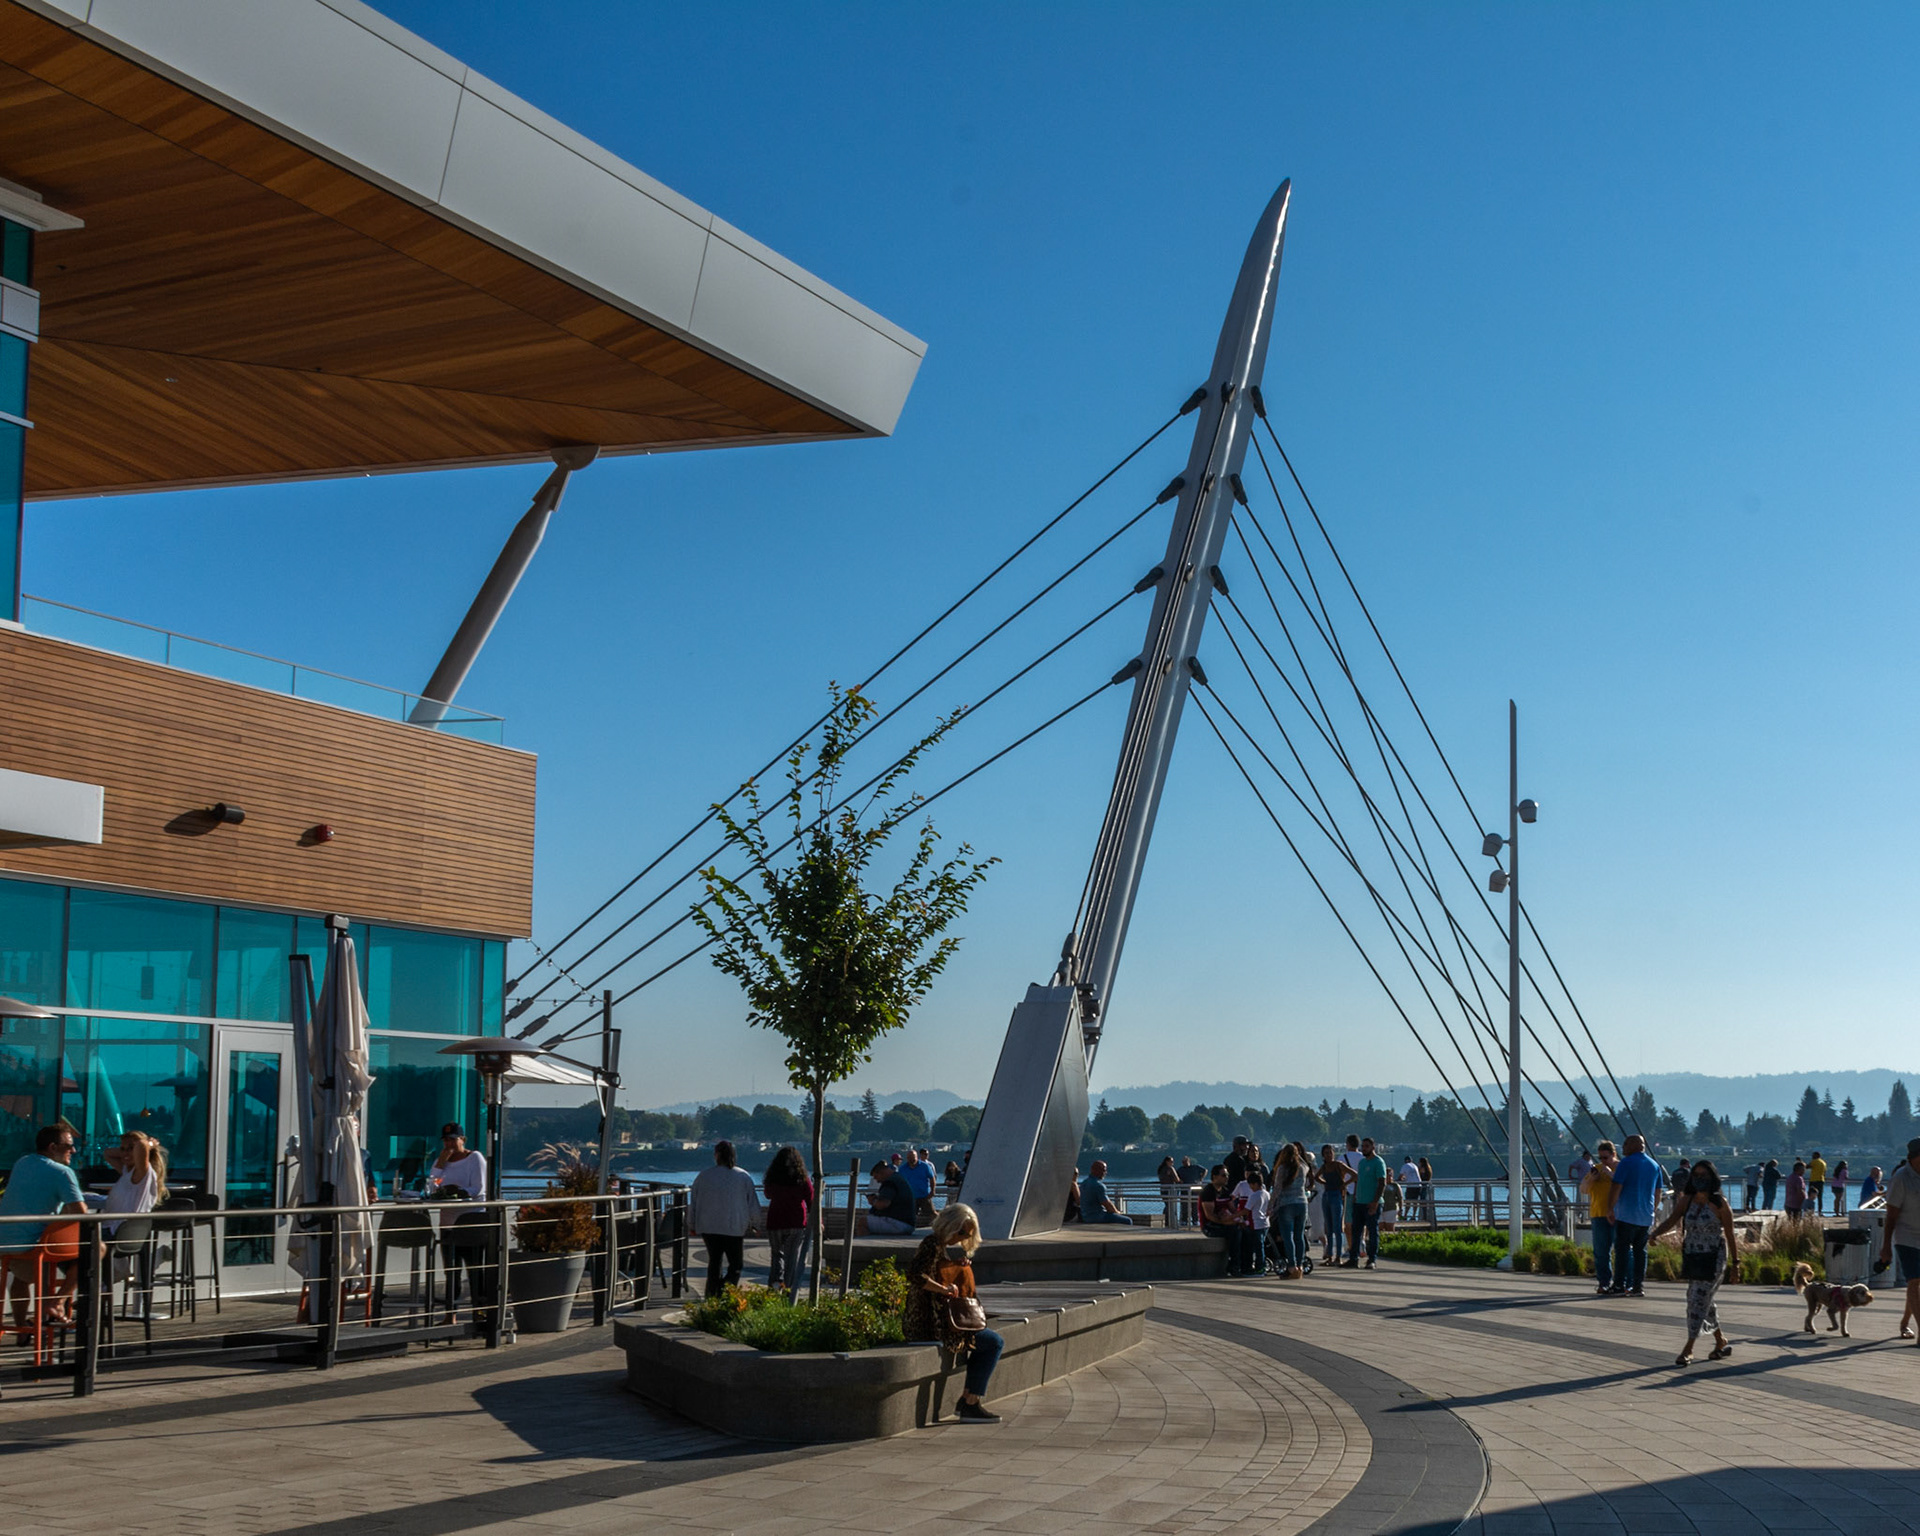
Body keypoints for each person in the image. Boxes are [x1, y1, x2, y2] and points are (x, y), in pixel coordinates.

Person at [904, 1203, 1002, 1421]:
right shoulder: (931, 1243)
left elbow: (936, 1270)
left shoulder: (938, 1246)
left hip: (939, 1320)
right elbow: (915, 1275)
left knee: (986, 1341)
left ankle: (969, 1399)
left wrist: (957, 1266)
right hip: (932, 1323)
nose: (962, 1238)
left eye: (966, 1234)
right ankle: (970, 1402)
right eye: (961, 1232)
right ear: (950, 1226)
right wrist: (945, 1289)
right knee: (992, 1342)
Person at [1651, 1160, 1739, 1366]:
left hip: (1714, 1257)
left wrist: (1736, 1264)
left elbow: (1730, 1234)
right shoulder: (1687, 1201)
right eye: (1696, 1176)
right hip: (1693, 1257)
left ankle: (1689, 1348)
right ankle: (1720, 1341)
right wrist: (1655, 1233)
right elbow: (1672, 1219)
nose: (1700, 1180)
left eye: (1704, 1176)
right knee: (1701, 1298)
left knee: (1696, 1299)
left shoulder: (1720, 1204)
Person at [0, 1125, 88, 1330]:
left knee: (21, 1279)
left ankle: (23, 1330)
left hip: (5, 1245)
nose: (73, 1151)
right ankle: (56, 1303)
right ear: (52, 1147)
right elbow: (82, 1214)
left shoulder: (22, 1162)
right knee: (97, 1250)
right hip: (36, 1251)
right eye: (69, 1146)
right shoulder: (62, 1172)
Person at [689, 1140, 761, 1297]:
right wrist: (756, 1223)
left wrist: (692, 1223)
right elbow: (752, 1203)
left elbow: (693, 1201)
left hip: (708, 1226)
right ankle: (724, 1290)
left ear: (716, 1156)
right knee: (736, 1265)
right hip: (733, 1226)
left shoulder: (704, 1176)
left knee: (714, 1262)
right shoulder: (743, 1176)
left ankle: (711, 1293)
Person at [1873, 1138, 1920, 1348]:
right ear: (1914, 1158)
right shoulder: (1901, 1179)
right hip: (1906, 1236)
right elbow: (1891, 1217)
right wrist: (1885, 1248)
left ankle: (1904, 1322)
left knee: (1916, 1283)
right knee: (1914, 1281)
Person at [1608, 1134, 1664, 1296]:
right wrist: (1651, 1210)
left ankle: (1619, 1284)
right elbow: (1658, 1192)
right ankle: (1638, 1285)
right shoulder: (1654, 1165)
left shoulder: (1626, 1163)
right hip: (1645, 1217)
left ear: (1634, 1145)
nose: (1623, 1147)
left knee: (1622, 1251)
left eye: (1625, 1144)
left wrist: (1610, 1208)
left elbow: (1616, 1187)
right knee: (1641, 1252)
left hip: (1626, 1214)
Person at [762, 1145, 814, 1297]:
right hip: (796, 1221)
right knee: (792, 1257)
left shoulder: (773, 1177)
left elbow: (767, 1194)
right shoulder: (802, 1178)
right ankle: (789, 1289)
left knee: (777, 1255)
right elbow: (811, 1199)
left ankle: (775, 1286)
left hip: (776, 1220)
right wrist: (819, 1221)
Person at [100, 1129, 165, 1236]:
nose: (125, 1153)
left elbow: (141, 1145)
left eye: (131, 1148)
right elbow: (107, 1153)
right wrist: (127, 1152)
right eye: (122, 1149)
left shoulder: (142, 1173)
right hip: (110, 1228)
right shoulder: (127, 1171)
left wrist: (150, 1144)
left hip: (117, 1231)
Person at [1345, 1137, 1389, 1270]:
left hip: (1372, 1203)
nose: (1364, 1149)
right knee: (1356, 1231)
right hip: (1359, 1202)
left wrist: (1375, 1201)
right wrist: (1355, 1197)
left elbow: (1382, 1182)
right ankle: (1353, 1258)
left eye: (1367, 1146)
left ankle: (1372, 1259)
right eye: (1363, 1146)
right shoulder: (1362, 1162)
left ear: (1373, 1147)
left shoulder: (1378, 1162)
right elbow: (1359, 1180)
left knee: (1372, 1231)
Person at [1581, 1139, 1618, 1296]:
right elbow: (1583, 1189)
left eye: (1606, 1158)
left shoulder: (1621, 1169)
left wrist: (1610, 1174)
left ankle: (1622, 1282)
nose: (1603, 1161)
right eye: (1600, 1158)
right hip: (1598, 1215)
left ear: (1613, 1155)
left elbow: (1625, 1186)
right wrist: (1592, 1179)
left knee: (1622, 1250)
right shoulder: (1595, 1170)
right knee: (1601, 1252)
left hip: (1618, 1216)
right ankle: (1603, 1282)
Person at [1270, 1144, 1310, 1277]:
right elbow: (1308, 1165)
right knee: (1299, 1236)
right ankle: (1300, 1265)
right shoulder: (1303, 1167)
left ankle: (1291, 1266)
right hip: (1302, 1203)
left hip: (1286, 1204)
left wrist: (1270, 1206)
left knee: (1288, 1237)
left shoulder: (1282, 1168)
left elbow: (1277, 1189)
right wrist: (1298, 1155)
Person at [427, 1122, 487, 1200]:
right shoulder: (439, 1160)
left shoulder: (474, 1157)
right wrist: (439, 1165)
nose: (449, 1144)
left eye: (453, 1140)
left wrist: (458, 1192)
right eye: (446, 1140)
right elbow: (431, 1188)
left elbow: (479, 1188)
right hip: (447, 1211)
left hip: (472, 1210)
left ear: (463, 1140)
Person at [1197, 1165, 1239, 1273]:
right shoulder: (1208, 1192)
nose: (1227, 1178)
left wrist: (1240, 1219)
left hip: (1223, 1222)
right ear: (1215, 1177)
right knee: (1234, 1232)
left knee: (1244, 1230)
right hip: (1209, 1226)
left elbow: (1233, 1209)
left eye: (1227, 1175)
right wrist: (1225, 1221)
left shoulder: (1225, 1191)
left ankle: (1245, 1263)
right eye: (1223, 1175)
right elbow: (1209, 1216)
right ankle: (1233, 1265)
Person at [1316, 1145, 1351, 1265]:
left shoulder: (1338, 1165)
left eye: (1330, 1153)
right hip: (1326, 1195)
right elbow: (1316, 1177)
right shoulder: (1324, 1167)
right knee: (1328, 1228)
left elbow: (1354, 1174)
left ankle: (1338, 1257)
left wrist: (1344, 1184)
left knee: (1337, 1227)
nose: (1328, 1155)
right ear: (1323, 1155)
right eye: (1326, 1153)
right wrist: (1324, 1182)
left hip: (1336, 1195)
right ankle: (1330, 1256)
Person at [866, 1157, 919, 1235]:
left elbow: (883, 1204)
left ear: (882, 1173)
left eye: (876, 1177)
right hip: (907, 1223)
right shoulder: (898, 1178)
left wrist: (873, 1201)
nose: (877, 1181)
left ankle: (862, 1244)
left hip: (899, 1223)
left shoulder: (889, 1183)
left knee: (862, 1222)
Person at [1233, 1168, 1271, 1276]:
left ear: (1254, 1184)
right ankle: (1261, 1267)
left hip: (1256, 1223)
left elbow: (1246, 1210)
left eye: (1251, 1185)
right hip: (1265, 1223)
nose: (1250, 1188)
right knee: (1261, 1246)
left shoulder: (1254, 1195)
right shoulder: (1266, 1193)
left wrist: (1234, 1215)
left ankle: (1260, 1269)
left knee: (1258, 1249)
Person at [1079, 1160, 1133, 1225]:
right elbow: (1107, 1204)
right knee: (1128, 1220)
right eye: (1103, 1170)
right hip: (1097, 1217)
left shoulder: (1084, 1183)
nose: (1105, 1172)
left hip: (1085, 1217)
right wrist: (1117, 1212)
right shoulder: (1099, 1185)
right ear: (1096, 1170)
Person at [901, 1148, 938, 1228]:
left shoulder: (925, 1166)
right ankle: (910, 1228)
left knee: (932, 1213)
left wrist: (932, 1190)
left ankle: (941, 1224)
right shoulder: (903, 1169)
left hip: (924, 1195)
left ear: (917, 1157)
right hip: (911, 1196)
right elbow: (900, 1182)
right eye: (909, 1158)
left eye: (913, 1157)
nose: (911, 1160)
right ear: (907, 1158)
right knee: (911, 1214)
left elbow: (932, 1178)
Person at [1177, 1155, 1204, 1227]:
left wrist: (1201, 1179)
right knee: (1184, 1206)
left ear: (1189, 1161)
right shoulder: (1180, 1169)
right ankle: (1184, 1220)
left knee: (1195, 1205)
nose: (1184, 1163)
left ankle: (1195, 1220)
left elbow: (1205, 1170)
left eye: (1185, 1161)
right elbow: (1176, 1176)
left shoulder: (1195, 1167)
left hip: (1195, 1189)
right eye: (1183, 1162)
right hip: (1185, 1189)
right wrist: (1180, 1181)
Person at [1157, 1156, 1181, 1228]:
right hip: (1170, 1190)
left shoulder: (1161, 1169)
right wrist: (1180, 1181)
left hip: (1163, 1189)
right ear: (1167, 1161)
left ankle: (1165, 1220)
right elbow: (1177, 1179)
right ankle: (1170, 1222)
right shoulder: (1170, 1168)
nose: (1172, 1163)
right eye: (1171, 1161)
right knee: (1171, 1206)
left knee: (1167, 1205)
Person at [1400, 1153, 1424, 1224]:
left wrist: (1400, 1179)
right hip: (1418, 1185)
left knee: (1408, 1201)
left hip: (1411, 1186)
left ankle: (1405, 1215)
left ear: (1405, 1161)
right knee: (1415, 1201)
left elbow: (1401, 1176)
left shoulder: (1405, 1165)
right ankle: (1413, 1216)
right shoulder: (1415, 1166)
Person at [1807, 1151, 1828, 1215]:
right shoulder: (1823, 1163)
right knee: (1820, 1196)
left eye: (1813, 1155)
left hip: (1813, 1180)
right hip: (1821, 1180)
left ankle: (1809, 1210)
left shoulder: (1814, 1161)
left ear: (1816, 1156)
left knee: (1810, 1196)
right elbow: (1824, 1172)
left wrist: (1800, 1162)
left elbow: (1807, 1166)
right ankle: (1820, 1211)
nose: (1812, 1157)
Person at [1417, 1156, 1435, 1223]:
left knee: (1422, 1201)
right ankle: (1424, 1216)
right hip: (1427, 1186)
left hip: (1423, 1186)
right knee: (1425, 1201)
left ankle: (1424, 1216)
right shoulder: (1429, 1168)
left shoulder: (1422, 1169)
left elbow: (1420, 1177)